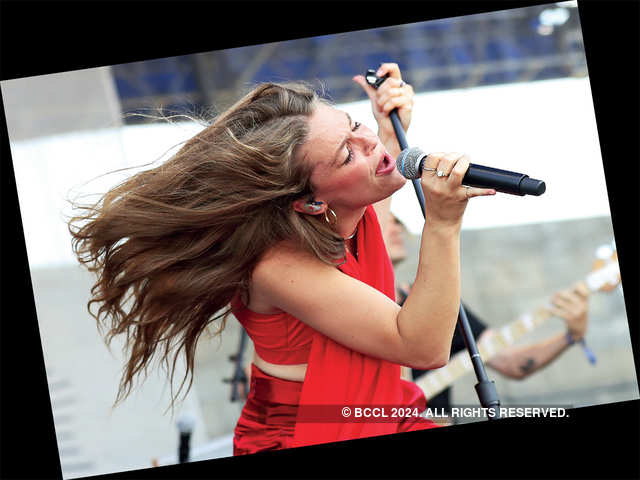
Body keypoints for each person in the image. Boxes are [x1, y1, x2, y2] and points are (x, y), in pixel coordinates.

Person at [68, 63, 496, 455]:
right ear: (310, 203)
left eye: (355, 125)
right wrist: (442, 225)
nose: (366, 143)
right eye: (347, 153)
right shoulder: (278, 265)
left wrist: (387, 130)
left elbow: (377, 206)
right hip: (304, 433)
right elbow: (422, 347)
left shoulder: (351, 217)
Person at [381, 211, 590, 416]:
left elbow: (512, 364)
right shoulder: (354, 306)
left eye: (397, 221)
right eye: (387, 221)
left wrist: (571, 336)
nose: (397, 228)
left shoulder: (436, 302)